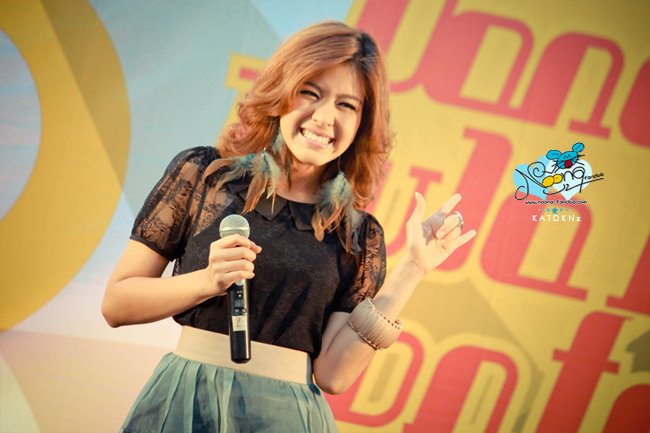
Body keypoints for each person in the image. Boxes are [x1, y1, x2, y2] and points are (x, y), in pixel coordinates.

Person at [102, 20, 476, 433]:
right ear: (281, 91)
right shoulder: (205, 175)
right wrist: (206, 281)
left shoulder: (357, 234)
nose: (324, 117)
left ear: (362, 123)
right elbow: (117, 304)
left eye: (346, 105)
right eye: (310, 93)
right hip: (186, 402)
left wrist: (413, 270)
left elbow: (334, 375)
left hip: (286, 418)